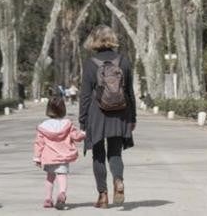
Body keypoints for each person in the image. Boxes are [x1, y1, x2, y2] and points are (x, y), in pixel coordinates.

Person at [79, 25, 136, 209]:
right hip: (120, 113)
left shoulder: (90, 63)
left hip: (97, 114)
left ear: (93, 40)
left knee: (98, 155)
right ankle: (118, 180)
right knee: (115, 152)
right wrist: (132, 117)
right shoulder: (123, 61)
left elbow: (85, 95)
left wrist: (83, 120)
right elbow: (129, 92)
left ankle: (102, 196)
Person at [33, 97, 86, 210]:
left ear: (48, 109)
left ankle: (48, 199)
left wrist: (37, 157)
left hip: (49, 157)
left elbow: (39, 143)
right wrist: (83, 133)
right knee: (62, 176)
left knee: (50, 177)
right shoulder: (67, 124)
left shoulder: (43, 126)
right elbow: (76, 136)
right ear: (63, 109)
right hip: (63, 157)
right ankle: (62, 193)